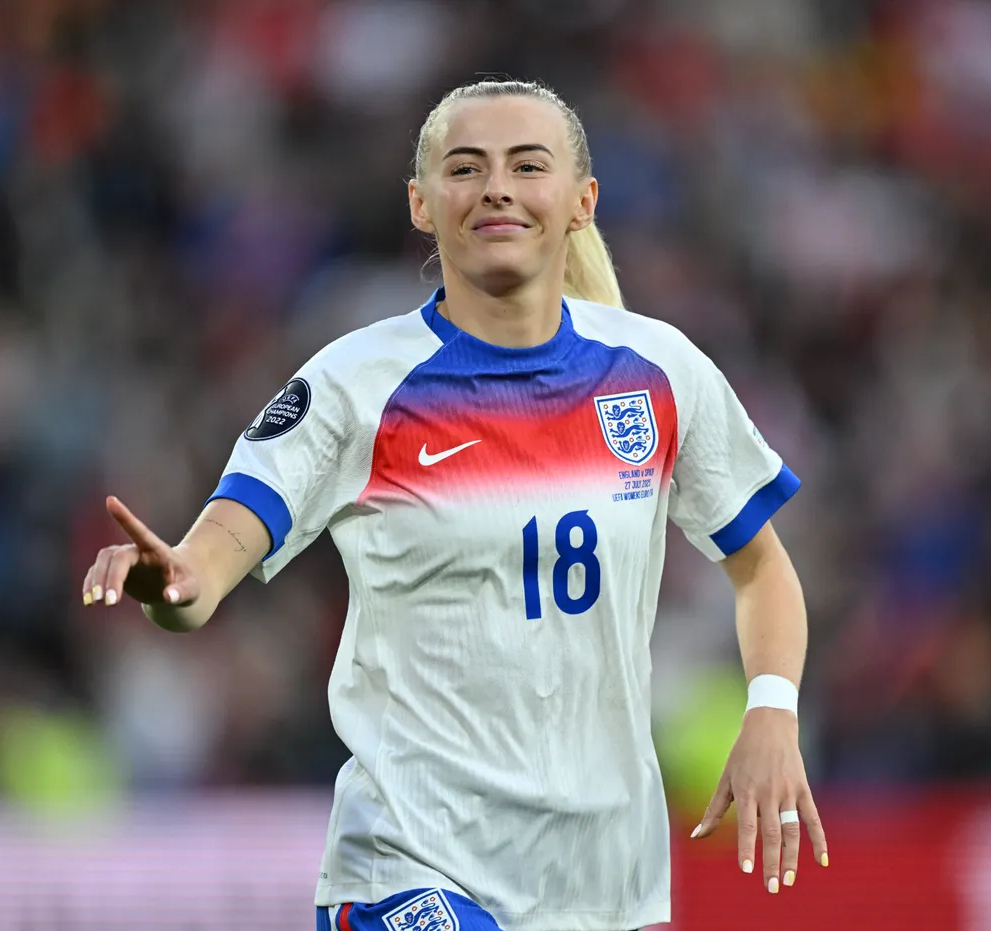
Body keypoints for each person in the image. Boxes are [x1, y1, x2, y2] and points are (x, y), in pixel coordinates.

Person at [82, 78, 828, 931]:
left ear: (582, 201)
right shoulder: (354, 384)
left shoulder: (660, 371)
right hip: (413, 861)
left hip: (603, 878)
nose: (497, 188)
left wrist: (772, 707)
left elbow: (762, 565)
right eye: (466, 168)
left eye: (527, 166)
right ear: (422, 205)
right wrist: (174, 580)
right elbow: (210, 561)